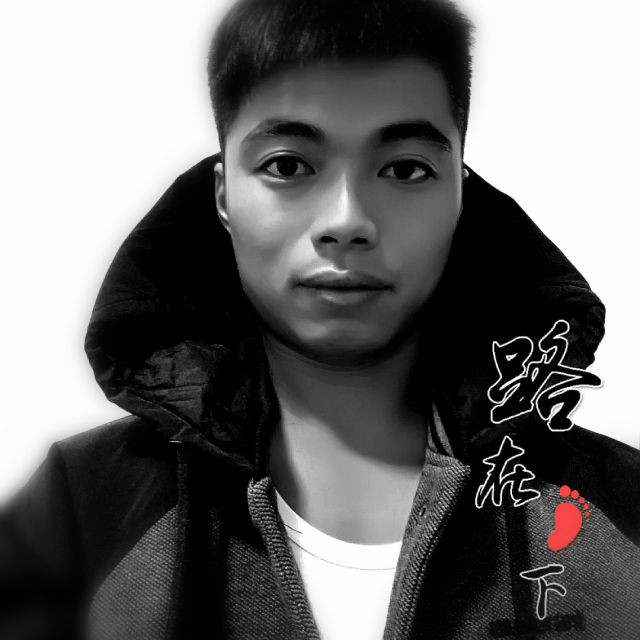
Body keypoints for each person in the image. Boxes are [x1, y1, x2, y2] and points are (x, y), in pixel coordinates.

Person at [1, 0, 639, 638]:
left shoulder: (622, 510)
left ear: (460, 195)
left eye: (405, 169)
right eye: (287, 166)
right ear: (223, 196)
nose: (347, 221)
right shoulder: (84, 506)